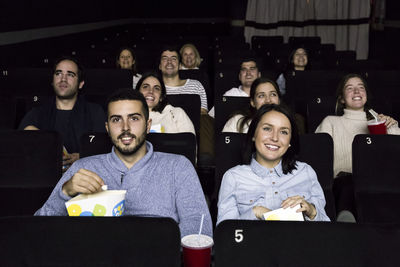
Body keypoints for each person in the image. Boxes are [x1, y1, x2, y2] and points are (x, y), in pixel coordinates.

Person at [35, 89, 212, 238]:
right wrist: (64, 192)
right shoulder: (83, 168)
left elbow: (199, 228)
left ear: (148, 125)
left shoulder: (178, 167)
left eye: (134, 118)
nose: (125, 127)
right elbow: (39, 229)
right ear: (107, 127)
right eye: (116, 119)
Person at [217, 104, 329, 224]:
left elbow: (326, 231)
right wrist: (255, 212)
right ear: (254, 135)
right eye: (267, 128)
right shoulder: (233, 177)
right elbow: (225, 233)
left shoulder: (306, 172)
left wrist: (312, 212)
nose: (275, 138)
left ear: (290, 141)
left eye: (284, 132)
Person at [315, 73, 400, 220]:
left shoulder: (382, 122)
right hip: (344, 184)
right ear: (342, 98)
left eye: (361, 88)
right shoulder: (330, 122)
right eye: (350, 88)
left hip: (380, 183)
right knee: (349, 181)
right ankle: (346, 222)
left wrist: (392, 127)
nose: (356, 91)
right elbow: (318, 158)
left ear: (366, 95)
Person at [18, 56, 106, 168]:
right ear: (52, 80)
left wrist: (82, 157)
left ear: (80, 84)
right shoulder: (37, 113)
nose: (63, 79)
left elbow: (104, 150)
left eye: (70, 74)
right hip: (44, 175)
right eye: (58, 73)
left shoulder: (95, 112)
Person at [222, 77, 306, 134]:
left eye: (273, 94)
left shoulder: (294, 121)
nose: (268, 100)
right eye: (261, 96)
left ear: (279, 100)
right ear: (252, 102)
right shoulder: (237, 121)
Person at [159, 45, 208, 114]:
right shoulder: (154, 88)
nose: (169, 62)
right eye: (165, 59)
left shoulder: (196, 86)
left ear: (180, 66)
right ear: (160, 66)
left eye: (174, 59)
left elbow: (203, 114)